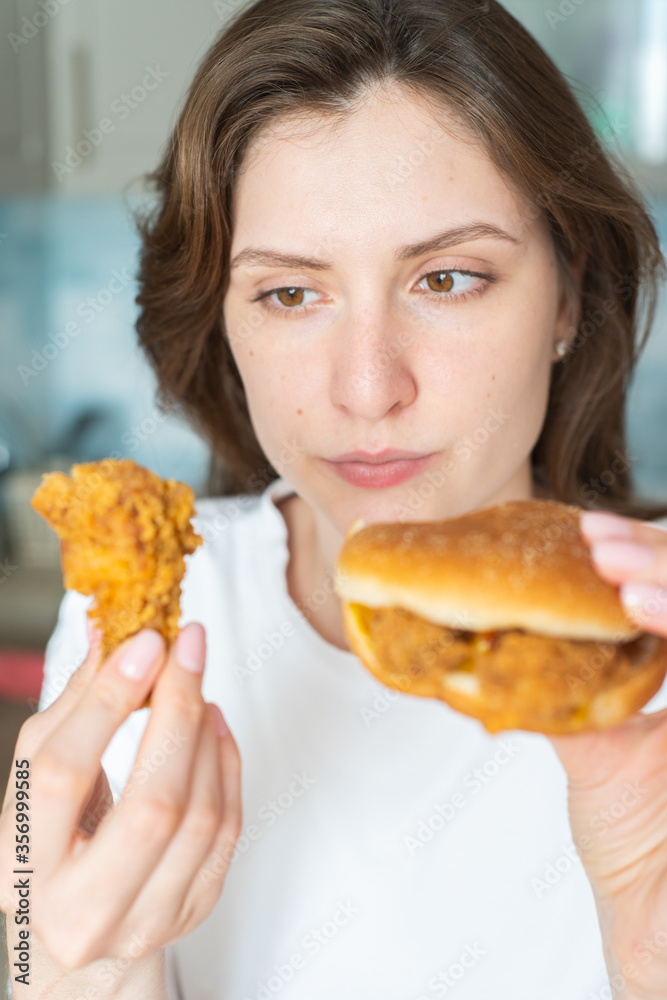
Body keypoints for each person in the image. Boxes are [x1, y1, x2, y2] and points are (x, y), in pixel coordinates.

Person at [3, 0, 667, 997]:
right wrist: (56, 964)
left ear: (567, 295)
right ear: (223, 324)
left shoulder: (648, 641)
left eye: (447, 278)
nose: (367, 388)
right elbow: (48, 946)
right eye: (288, 293)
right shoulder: (142, 631)